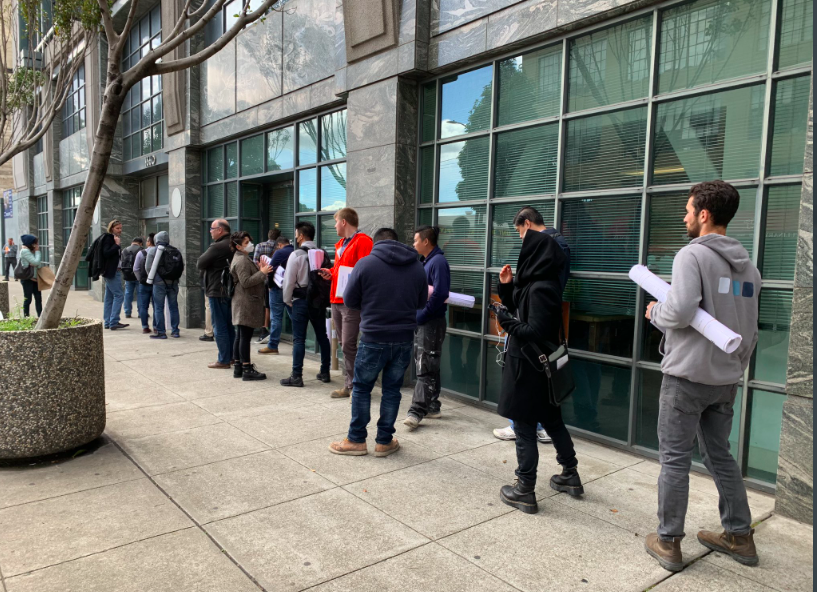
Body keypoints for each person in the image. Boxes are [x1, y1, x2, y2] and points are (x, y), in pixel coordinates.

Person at [643, 181, 761, 572]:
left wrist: (655, 313)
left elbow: (677, 311)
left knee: (674, 459)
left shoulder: (691, 256)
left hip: (687, 378)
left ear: (704, 214)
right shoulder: (750, 269)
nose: (685, 216)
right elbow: (751, 329)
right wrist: (734, 368)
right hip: (725, 380)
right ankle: (740, 536)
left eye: (689, 209)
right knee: (720, 456)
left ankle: (668, 542)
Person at [492, 218, 583, 515]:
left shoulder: (542, 288)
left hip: (529, 369)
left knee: (526, 426)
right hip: (538, 368)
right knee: (553, 420)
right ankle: (570, 474)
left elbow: (535, 331)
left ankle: (524, 489)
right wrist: (505, 289)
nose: (522, 255)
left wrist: (505, 321)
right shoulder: (538, 282)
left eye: (525, 249)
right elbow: (521, 305)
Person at [329, 228, 428, 458]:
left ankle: (356, 440)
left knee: (362, 388)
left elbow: (350, 301)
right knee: (392, 390)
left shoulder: (365, 264)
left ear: (376, 243)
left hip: (373, 336)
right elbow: (421, 302)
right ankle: (384, 441)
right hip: (403, 338)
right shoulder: (417, 266)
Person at [493, 206, 571, 444]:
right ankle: (527, 425)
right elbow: (522, 300)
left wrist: (506, 320)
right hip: (531, 328)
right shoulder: (550, 251)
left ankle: (526, 426)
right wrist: (508, 287)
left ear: (527, 223)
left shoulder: (549, 249)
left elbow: (536, 311)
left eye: (519, 232)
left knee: (531, 400)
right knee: (544, 409)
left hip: (533, 336)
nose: (521, 241)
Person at [317, 208, 373, 398]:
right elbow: (343, 270)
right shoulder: (341, 243)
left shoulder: (363, 241)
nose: (334, 226)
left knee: (348, 344)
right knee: (343, 343)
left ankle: (355, 385)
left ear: (343, 222)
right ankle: (352, 384)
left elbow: (364, 271)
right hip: (336, 299)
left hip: (350, 302)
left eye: (336, 221)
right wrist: (330, 273)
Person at [403, 225, 450, 430]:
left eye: (415, 240)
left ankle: (416, 411)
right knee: (430, 364)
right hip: (425, 320)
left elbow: (440, 294)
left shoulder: (438, 262)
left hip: (431, 321)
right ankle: (432, 406)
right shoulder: (427, 261)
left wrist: (421, 315)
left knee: (425, 365)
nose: (413, 244)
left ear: (426, 242)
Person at [281, 221, 332, 387]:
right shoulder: (323, 254)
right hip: (318, 300)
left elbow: (289, 282)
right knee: (322, 337)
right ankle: (325, 372)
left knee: (299, 339)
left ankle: (297, 375)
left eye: (296, 234)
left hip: (301, 300)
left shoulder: (296, 255)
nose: (295, 237)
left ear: (301, 236)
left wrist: (287, 300)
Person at [230, 231, 272, 381]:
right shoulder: (241, 260)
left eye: (249, 241)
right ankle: (246, 368)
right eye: (246, 242)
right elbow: (246, 282)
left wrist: (259, 270)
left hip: (244, 302)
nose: (250, 245)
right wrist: (262, 272)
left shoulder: (242, 258)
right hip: (245, 303)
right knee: (244, 336)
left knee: (240, 335)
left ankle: (239, 367)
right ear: (238, 246)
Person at [197, 219, 235, 368]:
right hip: (229, 290)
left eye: (212, 229)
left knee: (219, 326)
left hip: (217, 290)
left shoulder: (218, 246)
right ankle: (232, 357)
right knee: (229, 325)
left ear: (220, 230)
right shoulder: (233, 244)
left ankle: (224, 359)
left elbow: (200, 262)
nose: (210, 231)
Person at [258, 235, 294, 355]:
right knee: (294, 315)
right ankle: (299, 341)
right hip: (292, 289)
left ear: (279, 245)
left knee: (276, 317)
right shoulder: (295, 251)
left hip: (277, 289)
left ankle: (273, 345)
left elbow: (270, 270)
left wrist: (269, 286)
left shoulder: (279, 253)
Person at [146, 230, 180, 339]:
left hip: (159, 283)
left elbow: (148, 267)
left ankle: (161, 332)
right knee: (173, 307)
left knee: (158, 308)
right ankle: (175, 331)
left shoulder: (153, 250)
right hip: (173, 282)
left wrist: (153, 278)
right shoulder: (175, 251)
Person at [253, 228, 280, 343]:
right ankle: (269, 329)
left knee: (264, 305)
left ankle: (263, 330)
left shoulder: (260, 246)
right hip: (276, 280)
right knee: (271, 306)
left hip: (262, 278)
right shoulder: (279, 247)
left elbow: (255, 262)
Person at [101, 219, 128, 330]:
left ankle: (108, 322)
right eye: (117, 228)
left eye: (121, 228)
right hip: (112, 272)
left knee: (109, 297)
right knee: (119, 295)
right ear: (112, 228)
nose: (120, 230)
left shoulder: (113, 238)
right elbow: (106, 253)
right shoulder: (109, 238)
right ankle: (114, 321)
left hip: (112, 271)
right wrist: (116, 245)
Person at [18, 234, 47, 316]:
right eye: (35, 243)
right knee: (28, 299)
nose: (37, 245)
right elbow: (36, 262)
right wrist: (37, 252)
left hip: (35, 278)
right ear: (30, 243)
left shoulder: (31, 251)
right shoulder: (25, 251)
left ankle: (40, 316)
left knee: (38, 298)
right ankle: (26, 317)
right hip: (27, 279)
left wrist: (35, 261)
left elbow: (38, 264)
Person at [133, 233, 155, 334]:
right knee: (157, 307)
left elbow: (136, 269)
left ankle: (145, 327)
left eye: (147, 241)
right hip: (157, 283)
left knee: (143, 306)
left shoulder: (141, 253)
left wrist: (140, 279)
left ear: (149, 242)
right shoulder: (160, 252)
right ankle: (156, 326)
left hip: (144, 283)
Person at [121, 237, 144, 319]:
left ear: (132, 242)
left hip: (127, 275)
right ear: (140, 243)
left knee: (128, 294)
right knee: (140, 294)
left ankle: (127, 312)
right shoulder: (141, 250)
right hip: (138, 275)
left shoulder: (125, 250)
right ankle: (141, 313)